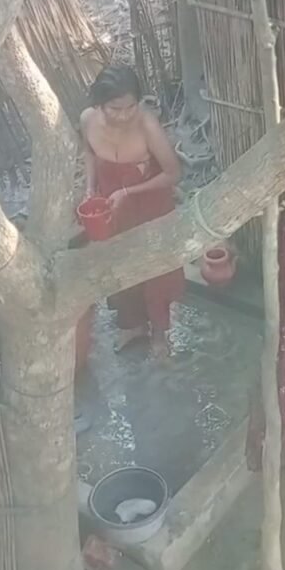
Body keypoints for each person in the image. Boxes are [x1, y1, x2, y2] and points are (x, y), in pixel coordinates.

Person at [80, 65, 184, 357]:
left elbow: (173, 173)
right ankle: (132, 326)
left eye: (131, 107)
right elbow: (89, 153)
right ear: (100, 105)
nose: (125, 115)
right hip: (112, 206)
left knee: (155, 268)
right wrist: (90, 188)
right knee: (120, 264)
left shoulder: (147, 125)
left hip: (150, 205)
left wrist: (128, 192)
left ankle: (159, 334)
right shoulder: (87, 120)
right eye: (116, 109)